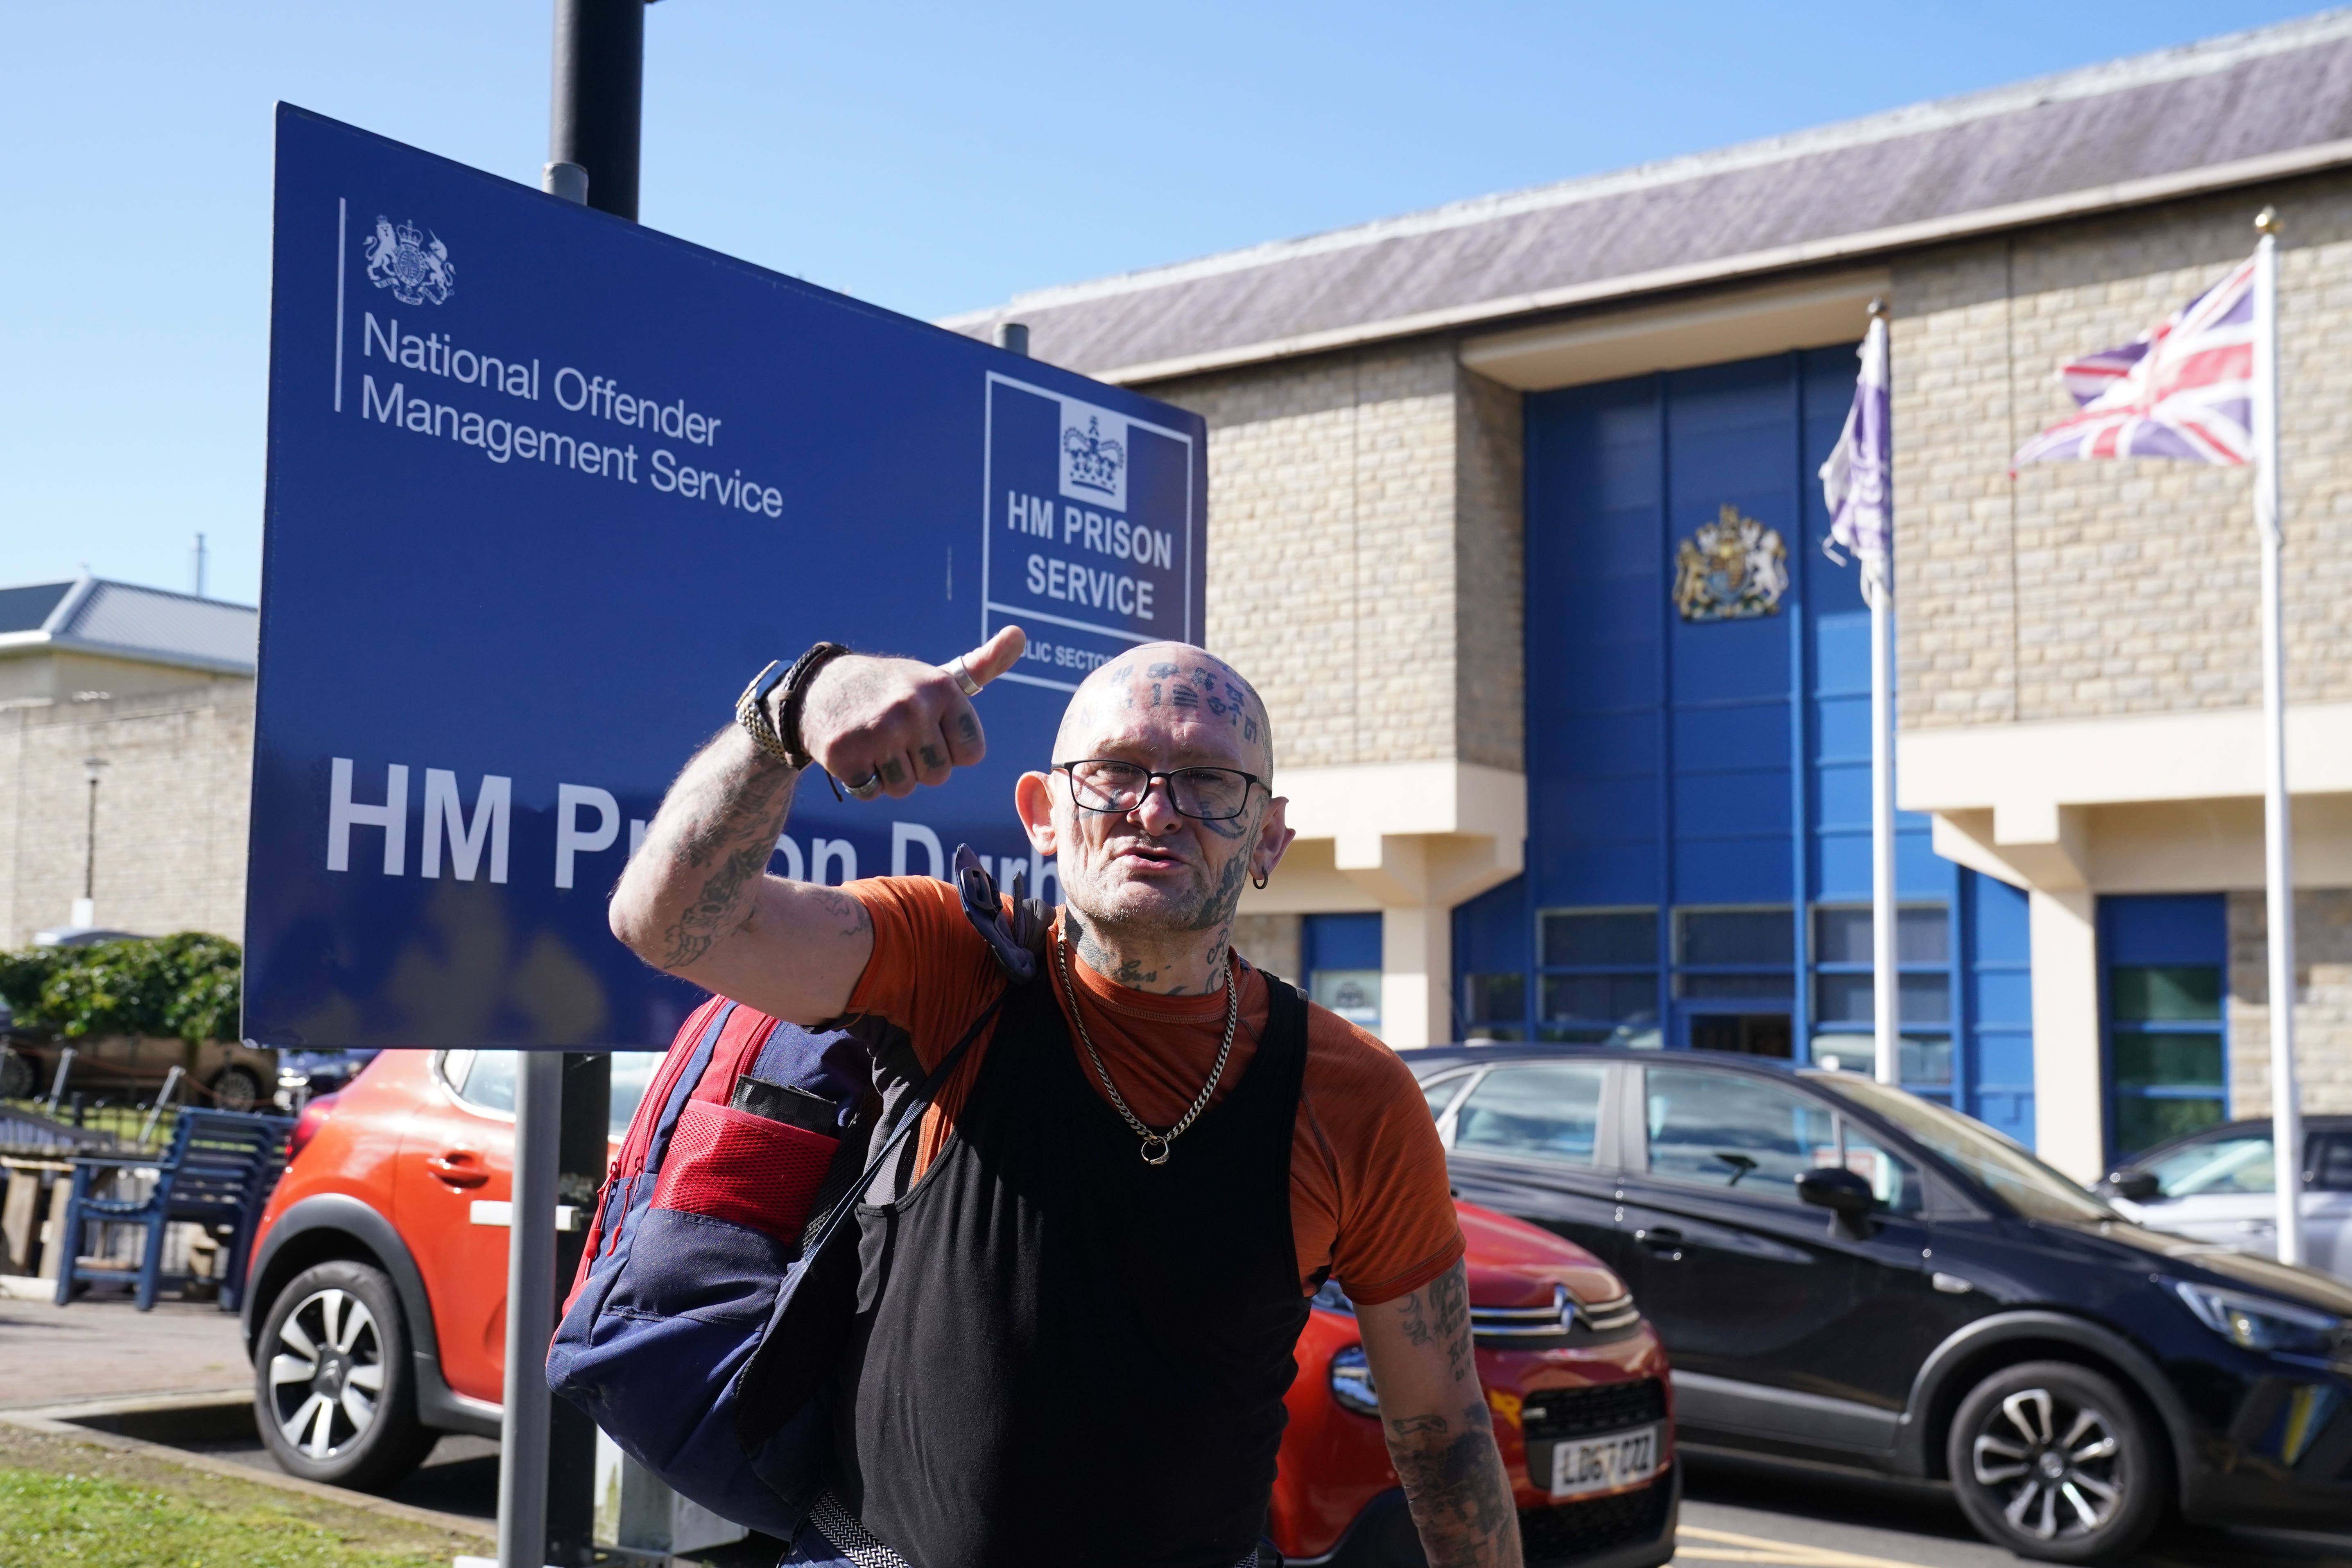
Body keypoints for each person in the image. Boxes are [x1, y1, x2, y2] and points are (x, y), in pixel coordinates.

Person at [609, 626, 1522, 1568]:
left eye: (1209, 781)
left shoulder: (1356, 1097)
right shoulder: (948, 964)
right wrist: (789, 712)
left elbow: (1441, 1428)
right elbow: (666, 923)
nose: (1156, 811)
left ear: (1268, 838)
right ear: (1042, 814)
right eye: (1116, 772)